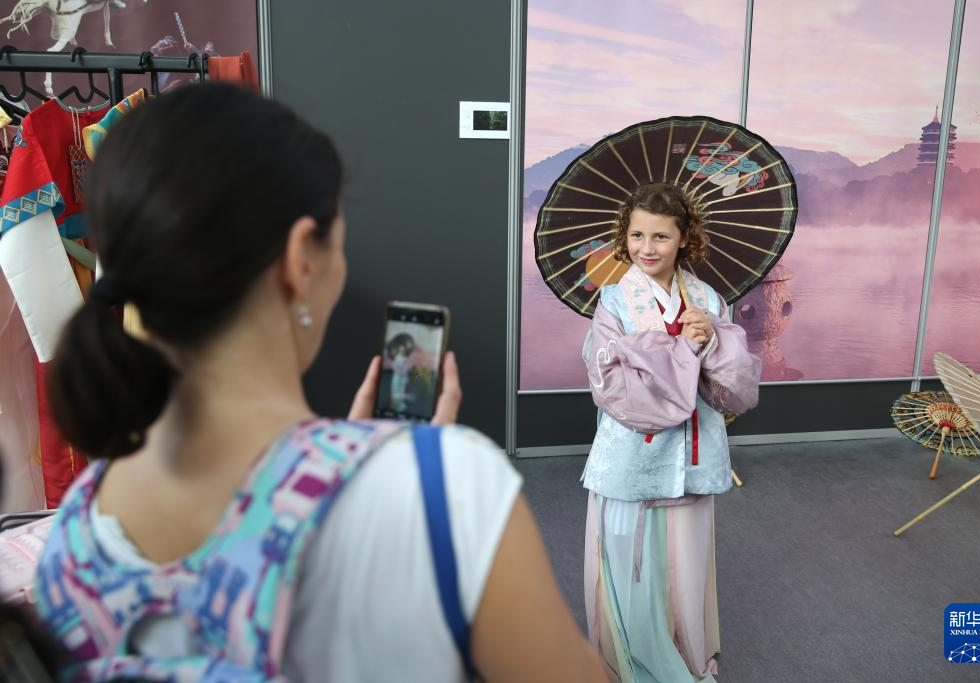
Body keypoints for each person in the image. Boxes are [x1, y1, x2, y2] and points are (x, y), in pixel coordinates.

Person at [34, 83, 604, 682]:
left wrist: (354, 455)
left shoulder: (75, 530)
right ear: (301, 258)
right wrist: (392, 464)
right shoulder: (445, 485)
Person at [581, 182, 761, 682]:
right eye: (636, 235)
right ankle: (629, 660)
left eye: (661, 236)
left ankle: (683, 651)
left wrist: (715, 340)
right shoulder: (614, 301)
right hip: (629, 455)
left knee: (684, 562)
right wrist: (681, 349)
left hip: (693, 452)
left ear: (684, 237)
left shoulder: (707, 299)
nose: (647, 248)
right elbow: (609, 384)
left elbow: (734, 393)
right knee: (627, 562)